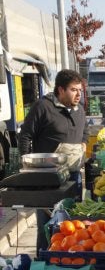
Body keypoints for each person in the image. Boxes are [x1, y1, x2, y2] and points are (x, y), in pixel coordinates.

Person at [18, 69, 89, 254]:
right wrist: (26, 166)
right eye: (74, 90)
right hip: (48, 178)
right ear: (60, 90)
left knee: (71, 222)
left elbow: (85, 132)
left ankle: (68, 256)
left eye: (79, 90)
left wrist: (83, 143)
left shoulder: (79, 110)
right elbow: (25, 135)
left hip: (73, 175)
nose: (78, 94)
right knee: (48, 223)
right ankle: (44, 256)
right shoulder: (43, 107)